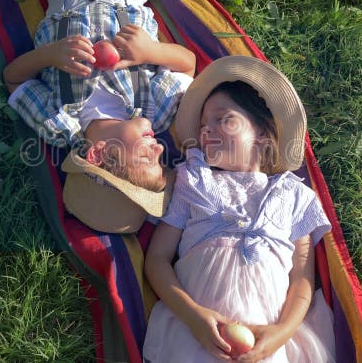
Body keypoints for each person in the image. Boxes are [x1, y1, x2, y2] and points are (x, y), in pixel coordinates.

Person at [143, 56, 336, 362]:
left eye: (224, 119)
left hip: (264, 338)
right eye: (204, 125)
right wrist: (192, 315)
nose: (208, 130)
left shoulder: (295, 195)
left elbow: (302, 278)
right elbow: (156, 258)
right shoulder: (193, 180)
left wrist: (282, 333)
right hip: (197, 335)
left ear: (262, 133)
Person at [3, 0, 195, 193]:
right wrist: (150, 51)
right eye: (160, 158)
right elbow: (187, 65)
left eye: (146, 157)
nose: (158, 148)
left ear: (98, 154)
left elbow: (13, 80)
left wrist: (50, 55)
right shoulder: (155, 110)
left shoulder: (59, 125)